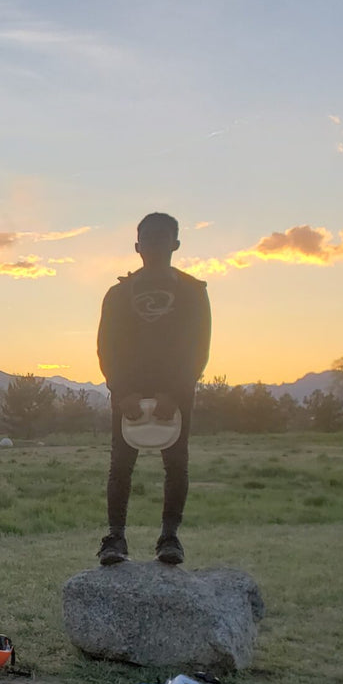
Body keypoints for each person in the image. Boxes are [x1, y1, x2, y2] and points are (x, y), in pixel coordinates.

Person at [96, 213, 212, 566]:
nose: (155, 245)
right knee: (120, 465)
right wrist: (121, 392)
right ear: (137, 246)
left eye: (163, 239)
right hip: (128, 392)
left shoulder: (194, 293)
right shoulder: (116, 295)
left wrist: (175, 394)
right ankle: (115, 537)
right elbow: (106, 347)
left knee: (176, 465)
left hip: (176, 391)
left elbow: (199, 348)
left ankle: (170, 538)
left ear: (175, 244)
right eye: (148, 239)